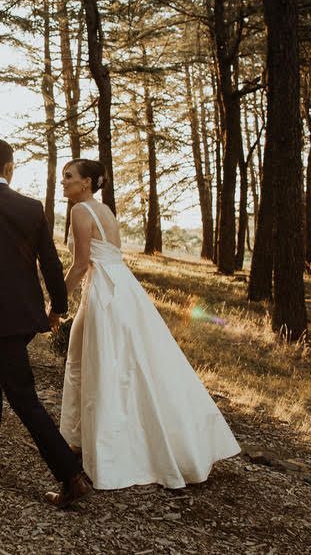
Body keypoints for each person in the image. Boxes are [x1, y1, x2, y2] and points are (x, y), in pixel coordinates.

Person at [57, 158, 241, 490]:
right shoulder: (105, 210)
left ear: (86, 183)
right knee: (129, 362)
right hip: (123, 287)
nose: (63, 182)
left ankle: (103, 447)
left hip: (103, 292)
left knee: (97, 363)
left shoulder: (80, 211)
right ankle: (85, 438)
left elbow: (82, 263)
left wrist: (55, 301)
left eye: (68, 177)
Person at [0, 137, 89, 508]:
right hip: (27, 316)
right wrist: (57, 307)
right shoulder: (31, 208)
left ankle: (69, 476)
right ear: (10, 168)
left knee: (23, 397)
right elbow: (50, 262)